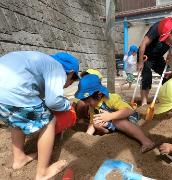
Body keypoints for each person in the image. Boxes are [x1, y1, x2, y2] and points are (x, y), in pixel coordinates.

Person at [0, 51, 79, 180]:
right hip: (14, 91)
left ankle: (19, 159)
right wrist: (67, 105)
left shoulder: (40, 62)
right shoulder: (57, 67)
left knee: (17, 119)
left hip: (4, 93)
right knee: (49, 122)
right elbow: (53, 101)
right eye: (72, 80)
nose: (69, 84)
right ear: (70, 73)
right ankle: (43, 173)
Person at [74, 74, 155, 153]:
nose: (87, 104)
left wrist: (109, 116)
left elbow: (129, 111)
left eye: (88, 101)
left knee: (118, 122)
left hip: (129, 118)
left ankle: (146, 141)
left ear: (99, 95)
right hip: (111, 122)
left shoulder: (110, 99)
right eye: (85, 101)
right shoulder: (92, 107)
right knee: (96, 123)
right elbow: (92, 123)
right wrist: (86, 136)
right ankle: (110, 133)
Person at [137, 7, 172, 106]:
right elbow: (143, 44)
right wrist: (140, 62)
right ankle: (144, 103)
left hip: (158, 57)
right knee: (147, 77)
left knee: (169, 76)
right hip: (146, 56)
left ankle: (169, 99)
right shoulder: (158, 27)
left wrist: (169, 54)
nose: (171, 40)